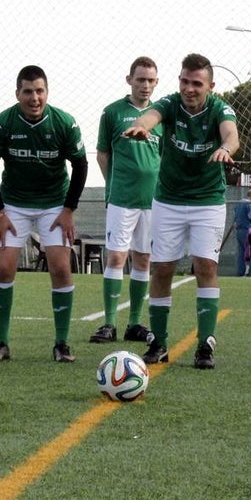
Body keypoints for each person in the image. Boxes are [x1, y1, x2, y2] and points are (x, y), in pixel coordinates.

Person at [123, 53, 239, 370]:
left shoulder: (219, 109)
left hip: (207, 201)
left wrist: (225, 149)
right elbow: (151, 116)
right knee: (162, 269)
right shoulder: (170, 104)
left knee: (205, 267)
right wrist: (139, 126)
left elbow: (231, 134)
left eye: (197, 84)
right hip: (169, 200)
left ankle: (205, 345)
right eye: (185, 81)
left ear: (210, 86)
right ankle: (158, 343)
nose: (189, 89)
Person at [0, 65, 88, 363]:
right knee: (3, 267)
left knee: (61, 268)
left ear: (47, 93)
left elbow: (80, 166)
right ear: (18, 94)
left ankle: (62, 344)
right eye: (28, 91)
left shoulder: (65, 123)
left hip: (55, 204)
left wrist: (69, 210)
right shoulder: (3, 123)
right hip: (13, 204)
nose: (34, 97)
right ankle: (1, 342)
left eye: (39, 91)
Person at [89, 57, 160, 345]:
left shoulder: (160, 117)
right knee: (117, 256)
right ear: (129, 79)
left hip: (153, 201)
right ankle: (108, 323)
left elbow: (165, 157)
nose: (145, 85)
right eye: (140, 79)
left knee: (143, 259)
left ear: (156, 83)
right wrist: (112, 186)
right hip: (121, 199)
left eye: (150, 80)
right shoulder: (113, 113)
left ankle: (134, 323)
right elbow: (103, 153)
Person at [233, 188, 251, 277]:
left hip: (239, 230)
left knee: (241, 252)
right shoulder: (249, 204)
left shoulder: (239, 204)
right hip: (249, 230)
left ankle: (240, 272)